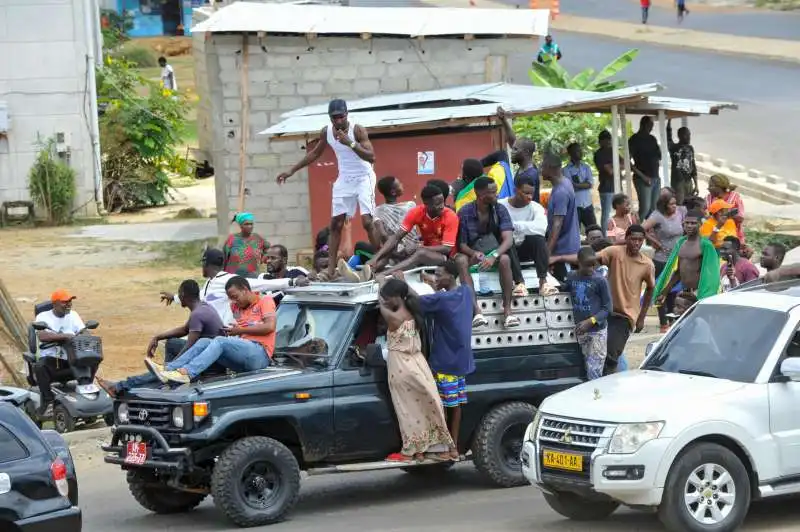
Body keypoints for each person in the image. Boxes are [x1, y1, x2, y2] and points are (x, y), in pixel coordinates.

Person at [276, 99, 378, 280]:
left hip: (364, 177)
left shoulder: (357, 130)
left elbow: (371, 157)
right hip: (345, 179)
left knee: (367, 222)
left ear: (346, 114)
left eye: (341, 117)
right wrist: (291, 171)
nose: (338, 121)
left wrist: (350, 143)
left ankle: (379, 261)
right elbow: (314, 153)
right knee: (335, 224)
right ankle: (331, 270)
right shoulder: (327, 132)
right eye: (334, 118)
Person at [396, 261, 475, 459]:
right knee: (455, 407)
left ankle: (447, 448)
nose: (436, 278)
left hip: (444, 363)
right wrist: (433, 284)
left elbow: (416, 300)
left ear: (450, 276)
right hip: (461, 363)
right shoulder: (465, 293)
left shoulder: (442, 298)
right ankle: (454, 447)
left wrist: (402, 283)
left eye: (439, 275)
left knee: (441, 408)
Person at [97, 280, 225, 397]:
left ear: (184, 295)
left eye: (179, 293)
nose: (178, 297)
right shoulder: (203, 307)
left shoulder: (198, 314)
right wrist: (157, 337)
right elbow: (184, 330)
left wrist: (171, 367)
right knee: (171, 343)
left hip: (209, 364)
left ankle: (121, 386)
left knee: (164, 370)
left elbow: (189, 346)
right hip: (207, 354)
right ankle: (166, 381)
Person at [377, 278, 456, 463]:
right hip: (418, 363)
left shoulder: (392, 316)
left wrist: (379, 287)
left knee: (407, 410)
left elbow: (381, 305)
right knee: (426, 407)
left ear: (396, 297)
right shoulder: (415, 310)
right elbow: (409, 294)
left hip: (400, 367)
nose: (386, 300)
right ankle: (432, 449)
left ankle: (412, 450)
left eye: (388, 297)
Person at [154, 277, 276, 384]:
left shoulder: (265, 301)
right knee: (204, 341)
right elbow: (241, 326)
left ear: (245, 289)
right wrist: (235, 330)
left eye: (235, 297)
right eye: (231, 299)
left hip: (260, 354)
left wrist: (240, 330)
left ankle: (187, 372)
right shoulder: (235, 307)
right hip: (244, 356)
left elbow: (270, 327)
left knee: (220, 341)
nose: (234, 302)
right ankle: (168, 369)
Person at [160, 248, 305, 326]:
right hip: (208, 332)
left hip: (224, 334)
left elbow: (261, 284)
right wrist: (174, 297)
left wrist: (291, 282)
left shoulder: (228, 280)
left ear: (205, 264)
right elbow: (199, 297)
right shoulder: (210, 282)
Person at [455, 177, 522, 328]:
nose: (496, 195)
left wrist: (494, 256)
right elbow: (462, 244)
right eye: (492, 192)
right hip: (474, 254)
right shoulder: (464, 212)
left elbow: (508, 240)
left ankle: (508, 312)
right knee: (460, 260)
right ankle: (476, 312)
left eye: (496, 191)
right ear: (480, 194)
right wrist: (474, 253)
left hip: (494, 252)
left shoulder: (500, 209)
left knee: (505, 259)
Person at [597, 225, 655, 375]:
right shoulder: (615, 252)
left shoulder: (647, 264)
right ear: (626, 239)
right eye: (633, 239)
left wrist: (641, 318)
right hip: (604, 311)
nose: (636, 243)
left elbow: (650, 289)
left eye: (640, 240)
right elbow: (592, 259)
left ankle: (607, 388)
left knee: (611, 355)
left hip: (624, 316)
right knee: (599, 352)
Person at [368, 184, 459, 275]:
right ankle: (371, 268)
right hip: (424, 251)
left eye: (442, 202)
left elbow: (447, 248)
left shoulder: (450, 216)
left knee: (421, 253)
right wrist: (375, 257)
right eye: (437, 204)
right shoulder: (416, 212)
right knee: (392, 244)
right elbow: (396, 237)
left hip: (444, 257)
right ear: (426, 203)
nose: (442, 206)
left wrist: (418, 247)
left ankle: (384, 274)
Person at [498, 175, 557, 296]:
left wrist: (513, 226)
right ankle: (519, 283)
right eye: (525, 193)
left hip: (527, 250)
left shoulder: (536, 207)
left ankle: (543, 282)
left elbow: (540, 228)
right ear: (515, 190)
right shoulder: (501, 206)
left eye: (532, 193)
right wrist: (528, 227)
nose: (529, 197)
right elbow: (498, 229)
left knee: (538, 239)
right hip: (506, 251)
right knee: (508, 240)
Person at [33, 290, 86, 416]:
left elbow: (84, 332)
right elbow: (43, 335)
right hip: (52, 360)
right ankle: (49, 402)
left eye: (70, 301)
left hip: (71, 358)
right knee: (40, 366)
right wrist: (65, 336)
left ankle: (88, 393)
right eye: (64, 302)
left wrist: (82, 336)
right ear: (55, 304)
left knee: (91, 358)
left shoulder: (73, 315)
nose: (68, 304)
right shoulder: (43, 317)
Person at [562, 247, 612, 380]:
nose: (590, 269)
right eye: (587, 266)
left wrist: (591, 321)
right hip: (579, 331)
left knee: (594, 371)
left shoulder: (600, 280)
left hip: (596, 332)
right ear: (578, 262)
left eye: (593, 265)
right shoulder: (572, 276)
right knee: (583, 369)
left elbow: (607, 308)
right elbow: (565, 290)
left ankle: (595, 397)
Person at [653, 210, 721, 304]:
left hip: (700, 294)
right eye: (687, 223)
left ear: (700, 224)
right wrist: (664, 292)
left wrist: (706, 296)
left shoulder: (706, 245)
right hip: (684, 292)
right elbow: (678, 272)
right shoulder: (681, 243)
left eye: (693, 223)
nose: (689, 226)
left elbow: (712, 275)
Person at [642, 191, 685, 332]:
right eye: (671, 204)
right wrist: (656, 242)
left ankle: (673, 319)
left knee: (674, 290)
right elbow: (642, 229)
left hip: (678, 258)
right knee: (661, 288)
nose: (674, 206)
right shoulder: (657, 216)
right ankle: (663, 322)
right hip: (662, 259)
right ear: (664, 205)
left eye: (675, 203)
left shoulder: (680, 212)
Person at [479, 107, 540, 205]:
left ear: (526, 152)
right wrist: (503, 120)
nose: (512, 151)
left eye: (515, 150)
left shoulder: (529, 176)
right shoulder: (526, 167)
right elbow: (513, 142)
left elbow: (525, 203)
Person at [543, 153, 580, 282]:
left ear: (549, 168)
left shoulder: (561, 192)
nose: (540, 171)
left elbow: (557, 225)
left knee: (565, 284)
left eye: (542, 167)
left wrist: (547, 254)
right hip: (566, 247)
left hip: (564, 250)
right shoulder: (565, 183)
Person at [372, 175, 420, 263]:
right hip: (412, 250)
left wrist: (392, 251)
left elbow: (383, 235)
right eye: (399, 184)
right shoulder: (410, 205)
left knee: (360, 247)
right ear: (393, 192)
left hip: (392, 253)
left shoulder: (378, 211)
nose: (402, 185)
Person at [629, 116, 662, 221]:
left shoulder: (652, 139)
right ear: (643, 125)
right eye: (650, 126)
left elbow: (659, 156)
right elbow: (627, 161)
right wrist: (643, 177)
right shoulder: (634, 140)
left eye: (652, 126)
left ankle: (648, 233)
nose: (651, 128)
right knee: (645, 209)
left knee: (654, 209)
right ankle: (634, 231)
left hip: (655, 177)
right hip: (642, 179)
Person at [593, 130, 624, 236]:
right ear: (600, 141)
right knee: (606, 214)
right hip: (606, 187)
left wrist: (612, 166)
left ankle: (619, 234)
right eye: (605, 140)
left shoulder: (614, 151)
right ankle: (605, 236)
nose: (608, 142)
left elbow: (624, 164)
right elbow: (609, 171)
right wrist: (616, 166)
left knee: (620, 211)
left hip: (617, 186)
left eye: (609, 139)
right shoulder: (598, 154)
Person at [222, 212, 269, 278]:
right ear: (240, 225)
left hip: (253, 277)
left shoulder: (258, 238)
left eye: (251, 224)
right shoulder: (231, 239)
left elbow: (269, 250)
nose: (249, 226)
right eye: (246, 224)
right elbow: (223, 258)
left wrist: (264, 257)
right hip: (233, 278)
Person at [564, 142, 597, 230]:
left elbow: (590, 184)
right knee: (575, 232)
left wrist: (577, 184)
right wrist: (584, 184)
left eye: (580, 150)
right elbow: (571, 187)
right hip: (575, 206)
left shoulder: (586, 167)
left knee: (594, 230)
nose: (581, 152)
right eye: (577, 150)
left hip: (588, 204)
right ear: (570, 153)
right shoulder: (566, 170)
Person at [706, 174, 745, 243]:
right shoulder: (708, 198)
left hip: (732, 237)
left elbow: (740, 218)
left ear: (719, 187)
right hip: (713, 236)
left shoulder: (734, 197)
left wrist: (726, 216)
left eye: (710, 186)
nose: (708, 188)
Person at [667, 120, 697, 205]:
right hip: (678, 182)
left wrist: (696, 184)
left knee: (689, 204)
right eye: (687, 135)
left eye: (689, 135)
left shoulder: (690, 148)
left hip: (689, 181)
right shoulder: (673, 147)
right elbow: (668, 137)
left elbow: (693, 165)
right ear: (680, 136)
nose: (689, 137)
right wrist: (669, 121)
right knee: (679, 204)